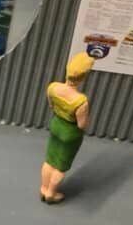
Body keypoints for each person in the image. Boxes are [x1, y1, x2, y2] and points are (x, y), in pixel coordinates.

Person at [40, 52, 95, 204]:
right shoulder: (81, 101)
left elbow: (51, 105)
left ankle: (44, 188)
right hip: (70, 132)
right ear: (83, 77)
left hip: (56, 124)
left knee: (50, 159)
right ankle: (51, 193)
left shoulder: (53, 87)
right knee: (61, 166)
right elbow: (81, 124)